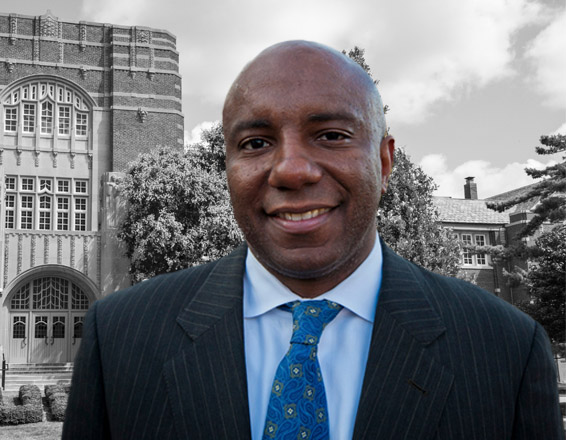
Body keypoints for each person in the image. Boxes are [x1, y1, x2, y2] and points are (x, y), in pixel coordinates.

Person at [62, 41, 563, 439]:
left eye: (331, 135)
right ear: (228, 169)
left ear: (384, 162)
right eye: (256, 143)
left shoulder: (506, 352)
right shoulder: (121, 338)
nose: (292, 170)